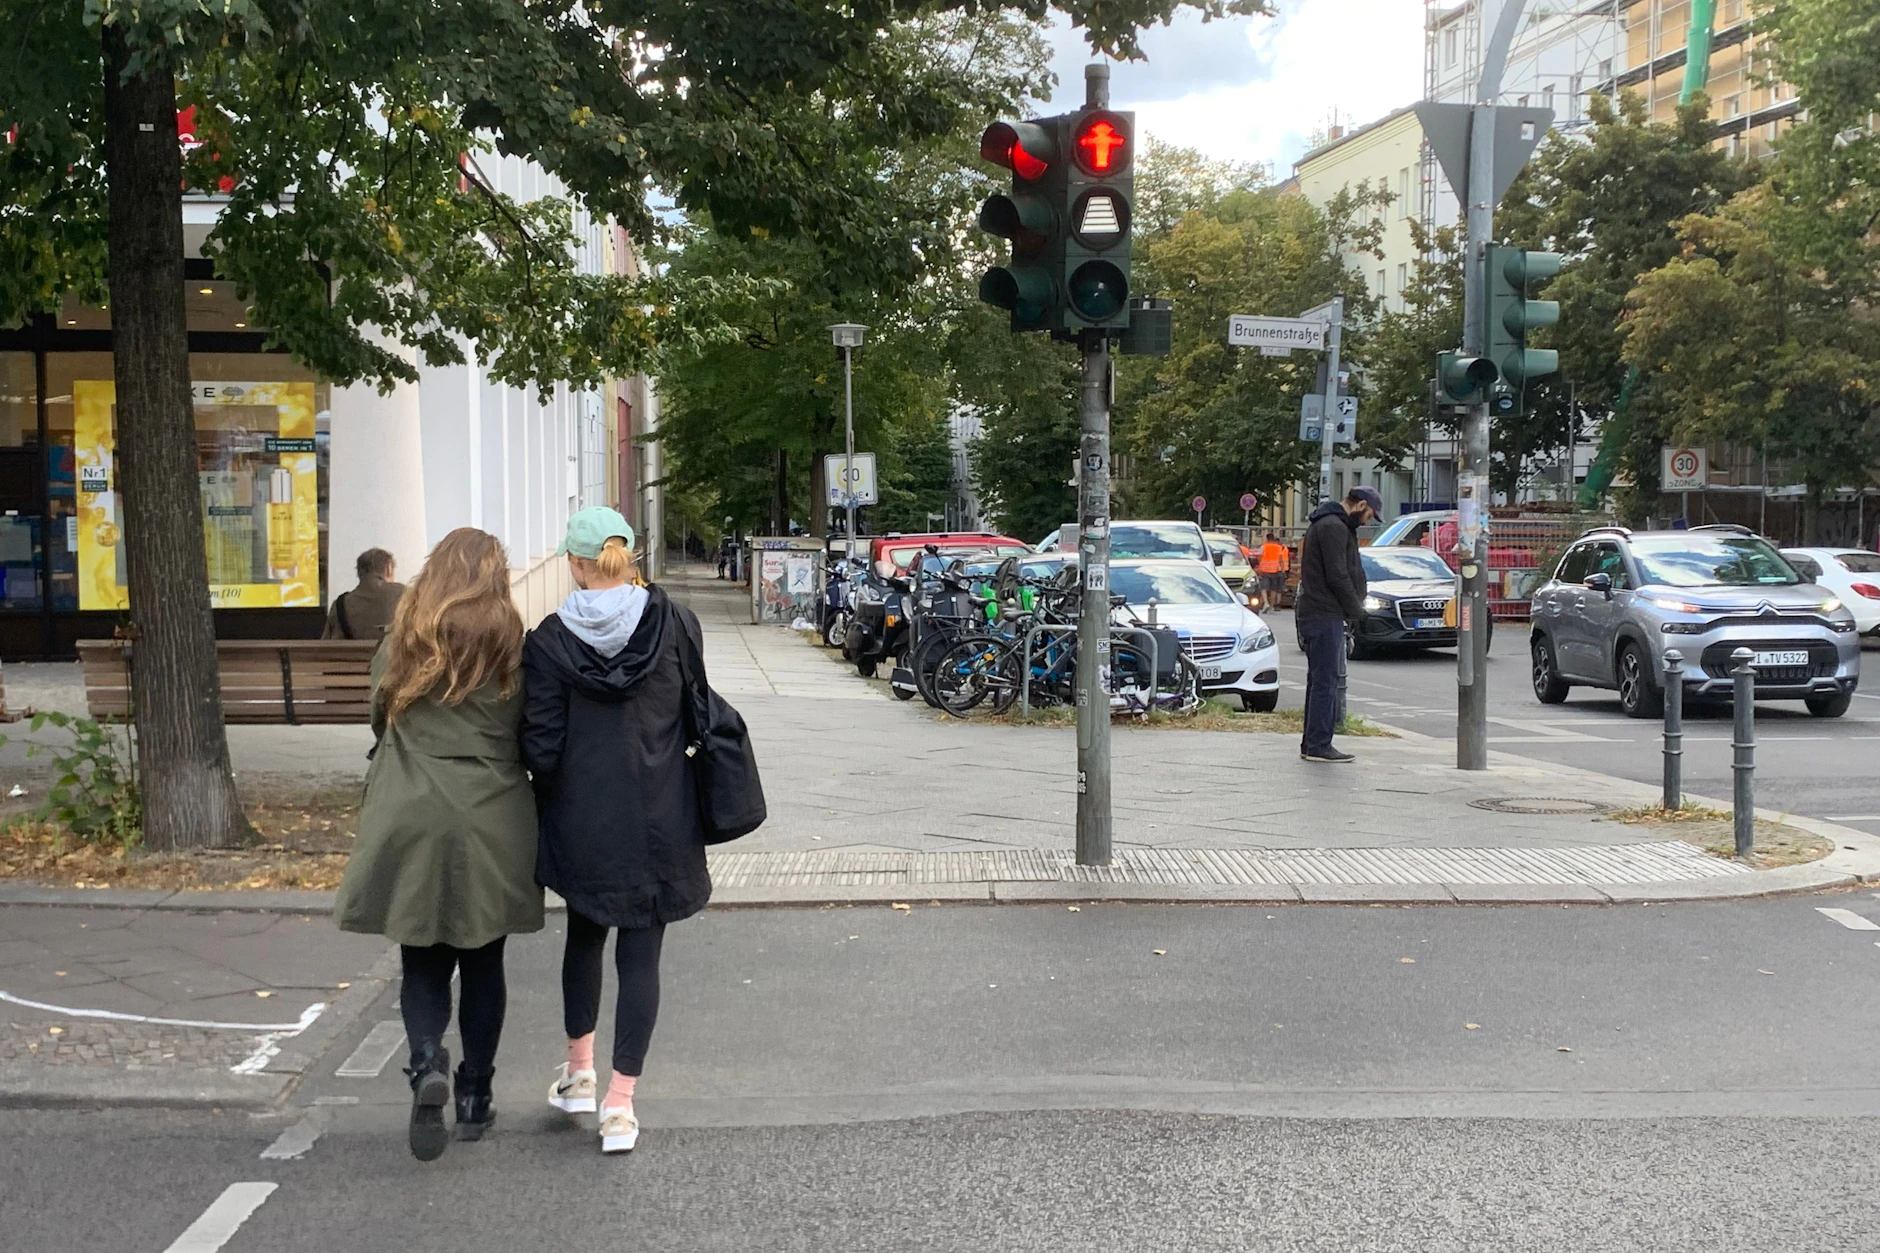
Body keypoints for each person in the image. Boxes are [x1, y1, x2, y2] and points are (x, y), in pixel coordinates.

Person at [333, 528, 543, 1161]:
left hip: (411, 808)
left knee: (422, 956)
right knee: (484, 960)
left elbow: (378, 713)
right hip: (492, 813)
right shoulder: (512, 639)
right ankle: (476, 1097)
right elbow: (531, 729)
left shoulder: (408, 633)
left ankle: (427, 1062)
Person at [522, 506, 711, 1156]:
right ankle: (621, 1106)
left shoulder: (548, 641)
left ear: (573, 563)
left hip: (583, 814)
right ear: (626, 556)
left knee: (584, 935)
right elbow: (698, 712)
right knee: (642, 953)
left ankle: (578, 1072)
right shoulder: (674, 623)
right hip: (659, 811)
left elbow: (541, 749)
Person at [1294, 486, 1380, 763]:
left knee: (1320, 680)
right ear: (1360, 505)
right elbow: (1338, 574)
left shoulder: (1332, 524)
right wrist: (1355, 610)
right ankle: (1319, 744)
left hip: (1321, 612)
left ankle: (1313, 743)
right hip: (1324, 613)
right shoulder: (1333, 526)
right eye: (1368, 515)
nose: (1367, 521)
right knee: (1325, 681)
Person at [323, 547, 405, 639]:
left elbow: (325, 643)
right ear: (389, 569)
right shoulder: (405, 594)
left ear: (359, 573)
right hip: (392, 653)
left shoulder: (339, 605)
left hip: (352, 653)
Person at [1257, 531, 1291, 603]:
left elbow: (1259, 557)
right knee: (1273, 589)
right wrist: (1282, 570)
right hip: (1275, 570)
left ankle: (1266, 602)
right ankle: (1272, 605)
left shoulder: (1263, 547)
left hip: (1264, 570)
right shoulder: (1278, 547)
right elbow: (1281, 560)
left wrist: (1260, 568)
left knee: (1264, 588)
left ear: (1267, 539)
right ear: (1273, 539)